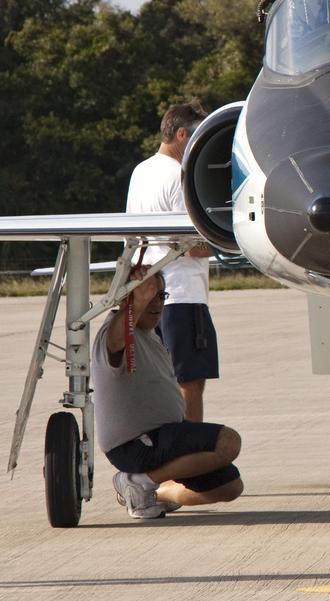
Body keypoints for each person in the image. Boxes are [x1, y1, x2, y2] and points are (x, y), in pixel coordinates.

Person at [93, 268, 243, 520]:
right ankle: (137, 481)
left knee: (230, 487)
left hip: (163, 438)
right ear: (124, 299)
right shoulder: (115, 334)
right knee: (228, 442)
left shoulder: (149, 334)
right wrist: (136, 302)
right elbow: (117, 341)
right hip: (137, 444)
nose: (157, 304)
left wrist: (141, 298)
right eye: (146, 296)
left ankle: (153, 492)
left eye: (161, 296)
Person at [127, 101, 217, 421]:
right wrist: (228, 243)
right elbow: (191, 245)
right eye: (195, 136)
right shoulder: (179, 175)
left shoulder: (140, 172)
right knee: (190, 382)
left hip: (146, 291)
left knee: (155, 382)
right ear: (181, 134)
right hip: (181, 295)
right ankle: (190, 458)